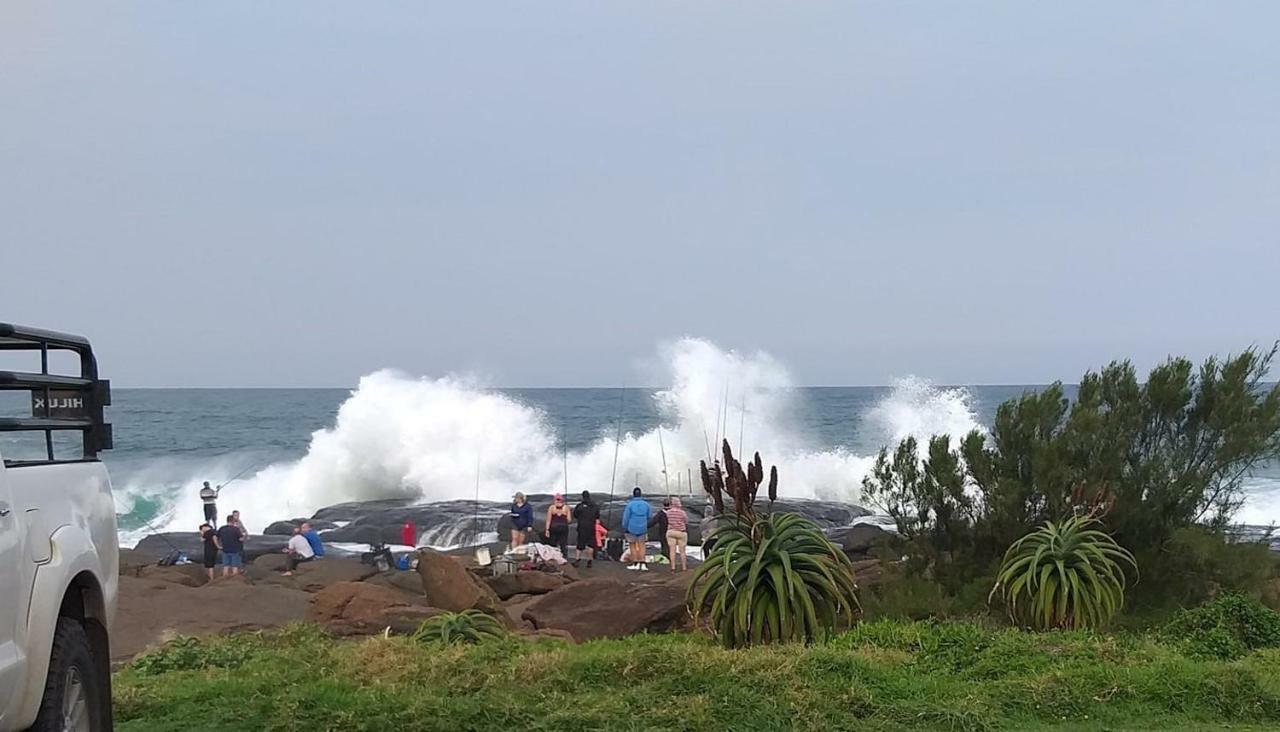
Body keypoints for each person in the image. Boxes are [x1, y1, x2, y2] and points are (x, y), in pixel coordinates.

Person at [621, 487, 653, 571]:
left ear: (633, 494)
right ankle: (642, 563)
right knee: (642, 545)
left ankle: (635, 563)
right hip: (643, 528)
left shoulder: (630, 505)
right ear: (640, 494)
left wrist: (625, 527)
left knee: (632, 545)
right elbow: (649, 516)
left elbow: (626, 518)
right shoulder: (646, 505)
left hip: (631, 528)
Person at [571, 490, 600, 568]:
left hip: (582, 527)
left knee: (580, 544)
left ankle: (577, 560)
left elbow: (575, 515)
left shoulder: (579, 506)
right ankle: (589, 561)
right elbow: (597, 516)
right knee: (591, 545)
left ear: (582, 496)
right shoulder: (595, 506)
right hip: (591, 528)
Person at [665, 496, 690, 572]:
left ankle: (673, 567)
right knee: (682, 551)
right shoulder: (682, 513)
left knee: (672, 551)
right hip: (681, 532)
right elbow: (686, 521)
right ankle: (684, 567)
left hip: (671, 532)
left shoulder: (668, 512)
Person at [545, 493, 571, 559]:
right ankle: (564, 558)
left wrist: (547, 530)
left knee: (553, 544)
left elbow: (548, 519)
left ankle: (553, 557)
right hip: (563, 527)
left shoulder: (551, 507)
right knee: (563, 544)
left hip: (554, 527)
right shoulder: (566, 507)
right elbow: (569, 520)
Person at [649, 499, 670, 564]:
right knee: (671, 546)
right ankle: (671, 559)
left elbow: (653, 521)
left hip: (663, 532)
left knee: (664, 545)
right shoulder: (672, 512)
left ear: (663, 504)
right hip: (671, 531)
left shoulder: (660, 513)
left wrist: (645, 526)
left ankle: (666, 558)